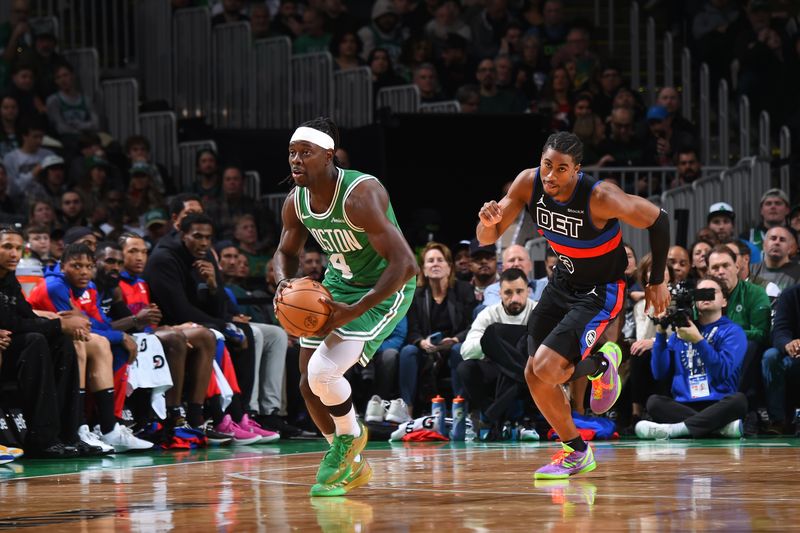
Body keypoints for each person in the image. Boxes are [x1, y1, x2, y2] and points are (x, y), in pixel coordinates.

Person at [476, 131, 670, 479]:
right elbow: (486, 237)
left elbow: (659, 219)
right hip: (562, 282)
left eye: (561, 169)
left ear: (577, 170)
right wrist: (487, 222)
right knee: (533, 374)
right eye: (547, 165)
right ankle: (577, 451)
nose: (551, 176)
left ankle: (599, 365)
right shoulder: (527, 183)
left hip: (600, 291)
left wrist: (656, 279)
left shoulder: (600, 197)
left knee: (549, 369)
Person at [272, 117, 418, 496]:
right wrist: (283, 285)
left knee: (323, 372)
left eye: (305, 153)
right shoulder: (296, 202)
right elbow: (286, 252)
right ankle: (348, 461)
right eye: (292, 153)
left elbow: (407, 264)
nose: (296, 160)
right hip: (339, 284)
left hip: (387, 285)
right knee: (307, 383)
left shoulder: (360, 194)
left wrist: (355, 310)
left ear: (329, 155)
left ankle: (351, 436)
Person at [634, 277, 747, 440]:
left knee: (739, 401)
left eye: (711, 292)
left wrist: (698, 341)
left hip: (718, 403)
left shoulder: (733, 332)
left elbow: (722, 372)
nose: (706, 297)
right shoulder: (681, 330)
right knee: (654, 402)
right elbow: (659, 373)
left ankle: (675, 430)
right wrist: (660, 333)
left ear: (724, 301)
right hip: (684, 404)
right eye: (701, 293)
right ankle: (717, 428)